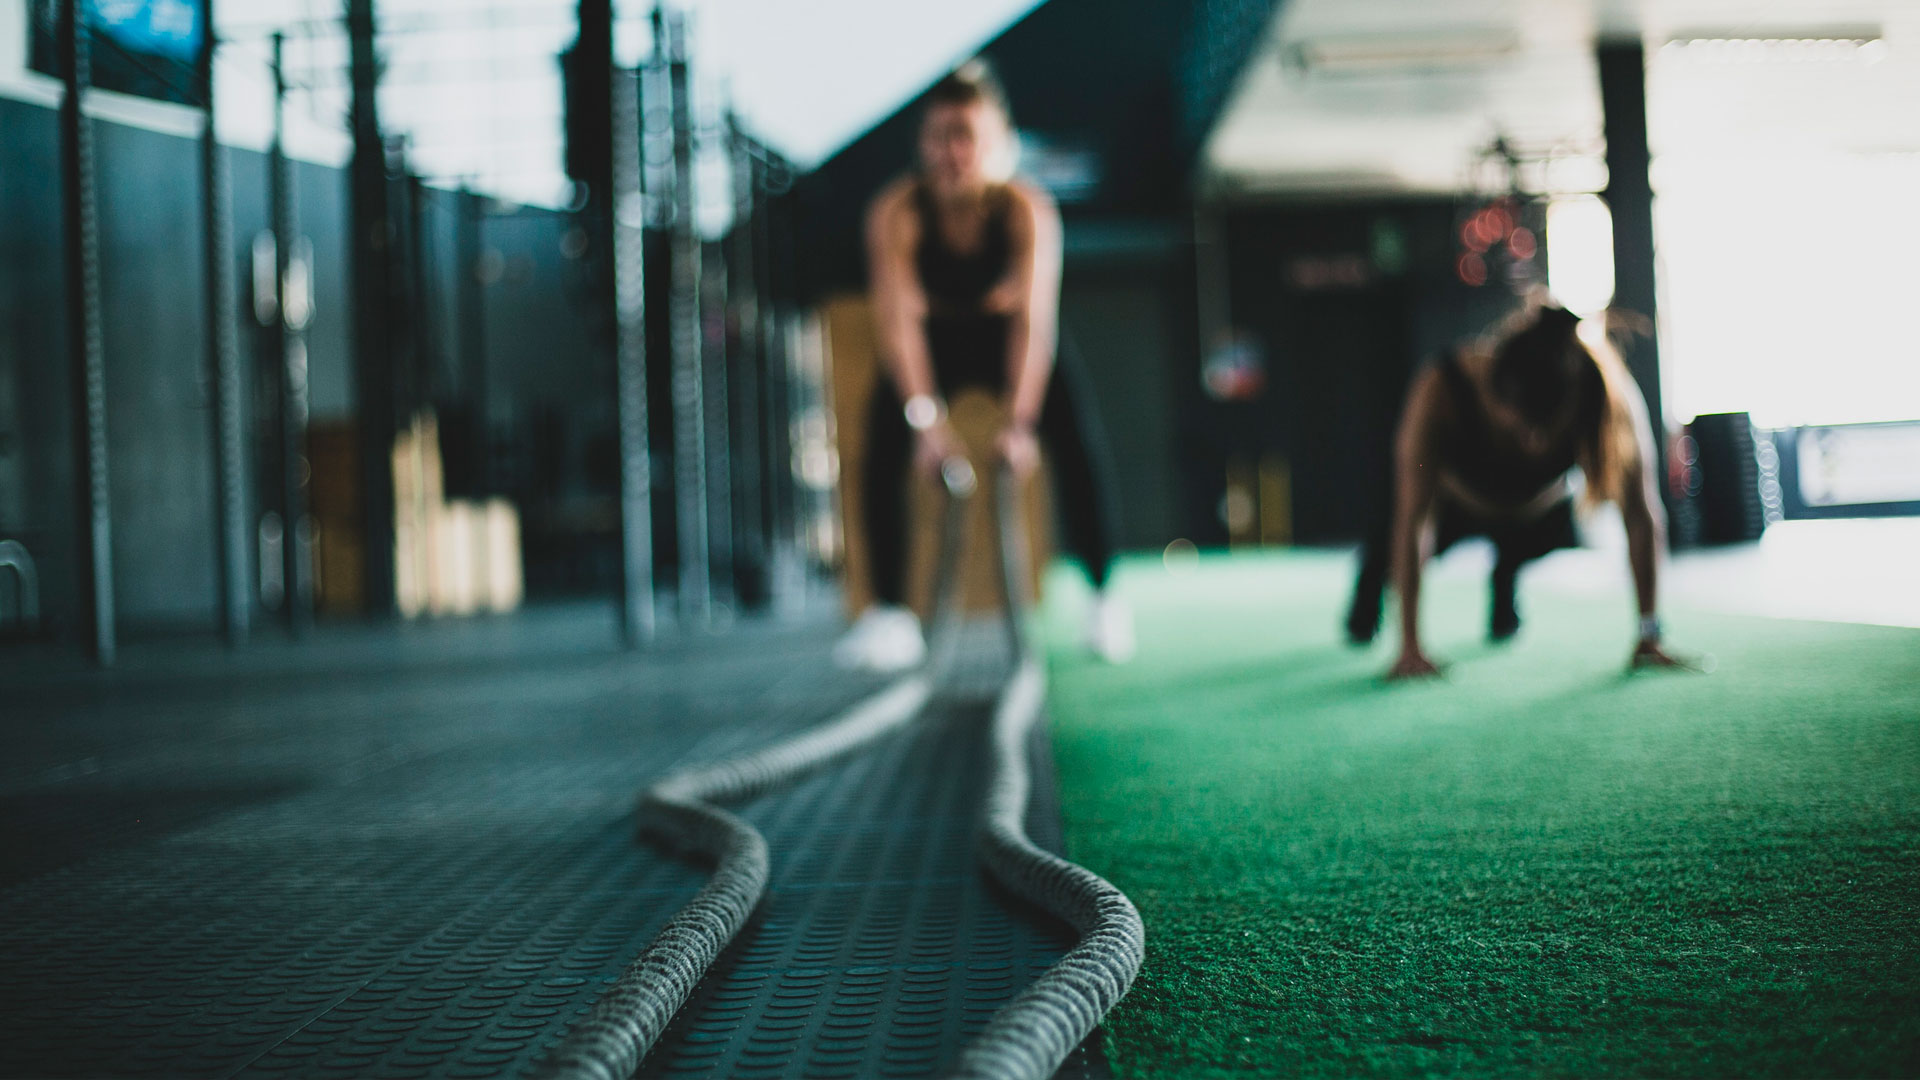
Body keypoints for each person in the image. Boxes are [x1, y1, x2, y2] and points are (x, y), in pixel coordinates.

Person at [834, 60, 1132, 671]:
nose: (952, 152)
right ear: (923, 145)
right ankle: (890, 614)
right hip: (933, 343)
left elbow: (1032, 323)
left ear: (997, 143)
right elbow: (899, 325)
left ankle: (1103, 598)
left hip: (1006, 341)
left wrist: (1020, 426)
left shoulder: (1026, 211)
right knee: (880, 440)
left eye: (966, 136)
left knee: (1076, 439)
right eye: (940, 137)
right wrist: (926, 425)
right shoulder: (897, 213)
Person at [1344, 303, 1692, 679]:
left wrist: (1649, 632)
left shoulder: (1606, 396)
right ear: (1494, 393)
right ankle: (1367, 595)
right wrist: (1410, 646)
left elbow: (1641, 516)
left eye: (1543, 432)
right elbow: (1414, 520)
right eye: (1519, 428)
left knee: (1531, 553)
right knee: (1382, 559)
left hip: (1537, 514)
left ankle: (1505, 572)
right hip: (1456, 507)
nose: (1530, 442)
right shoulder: (1441, 387)